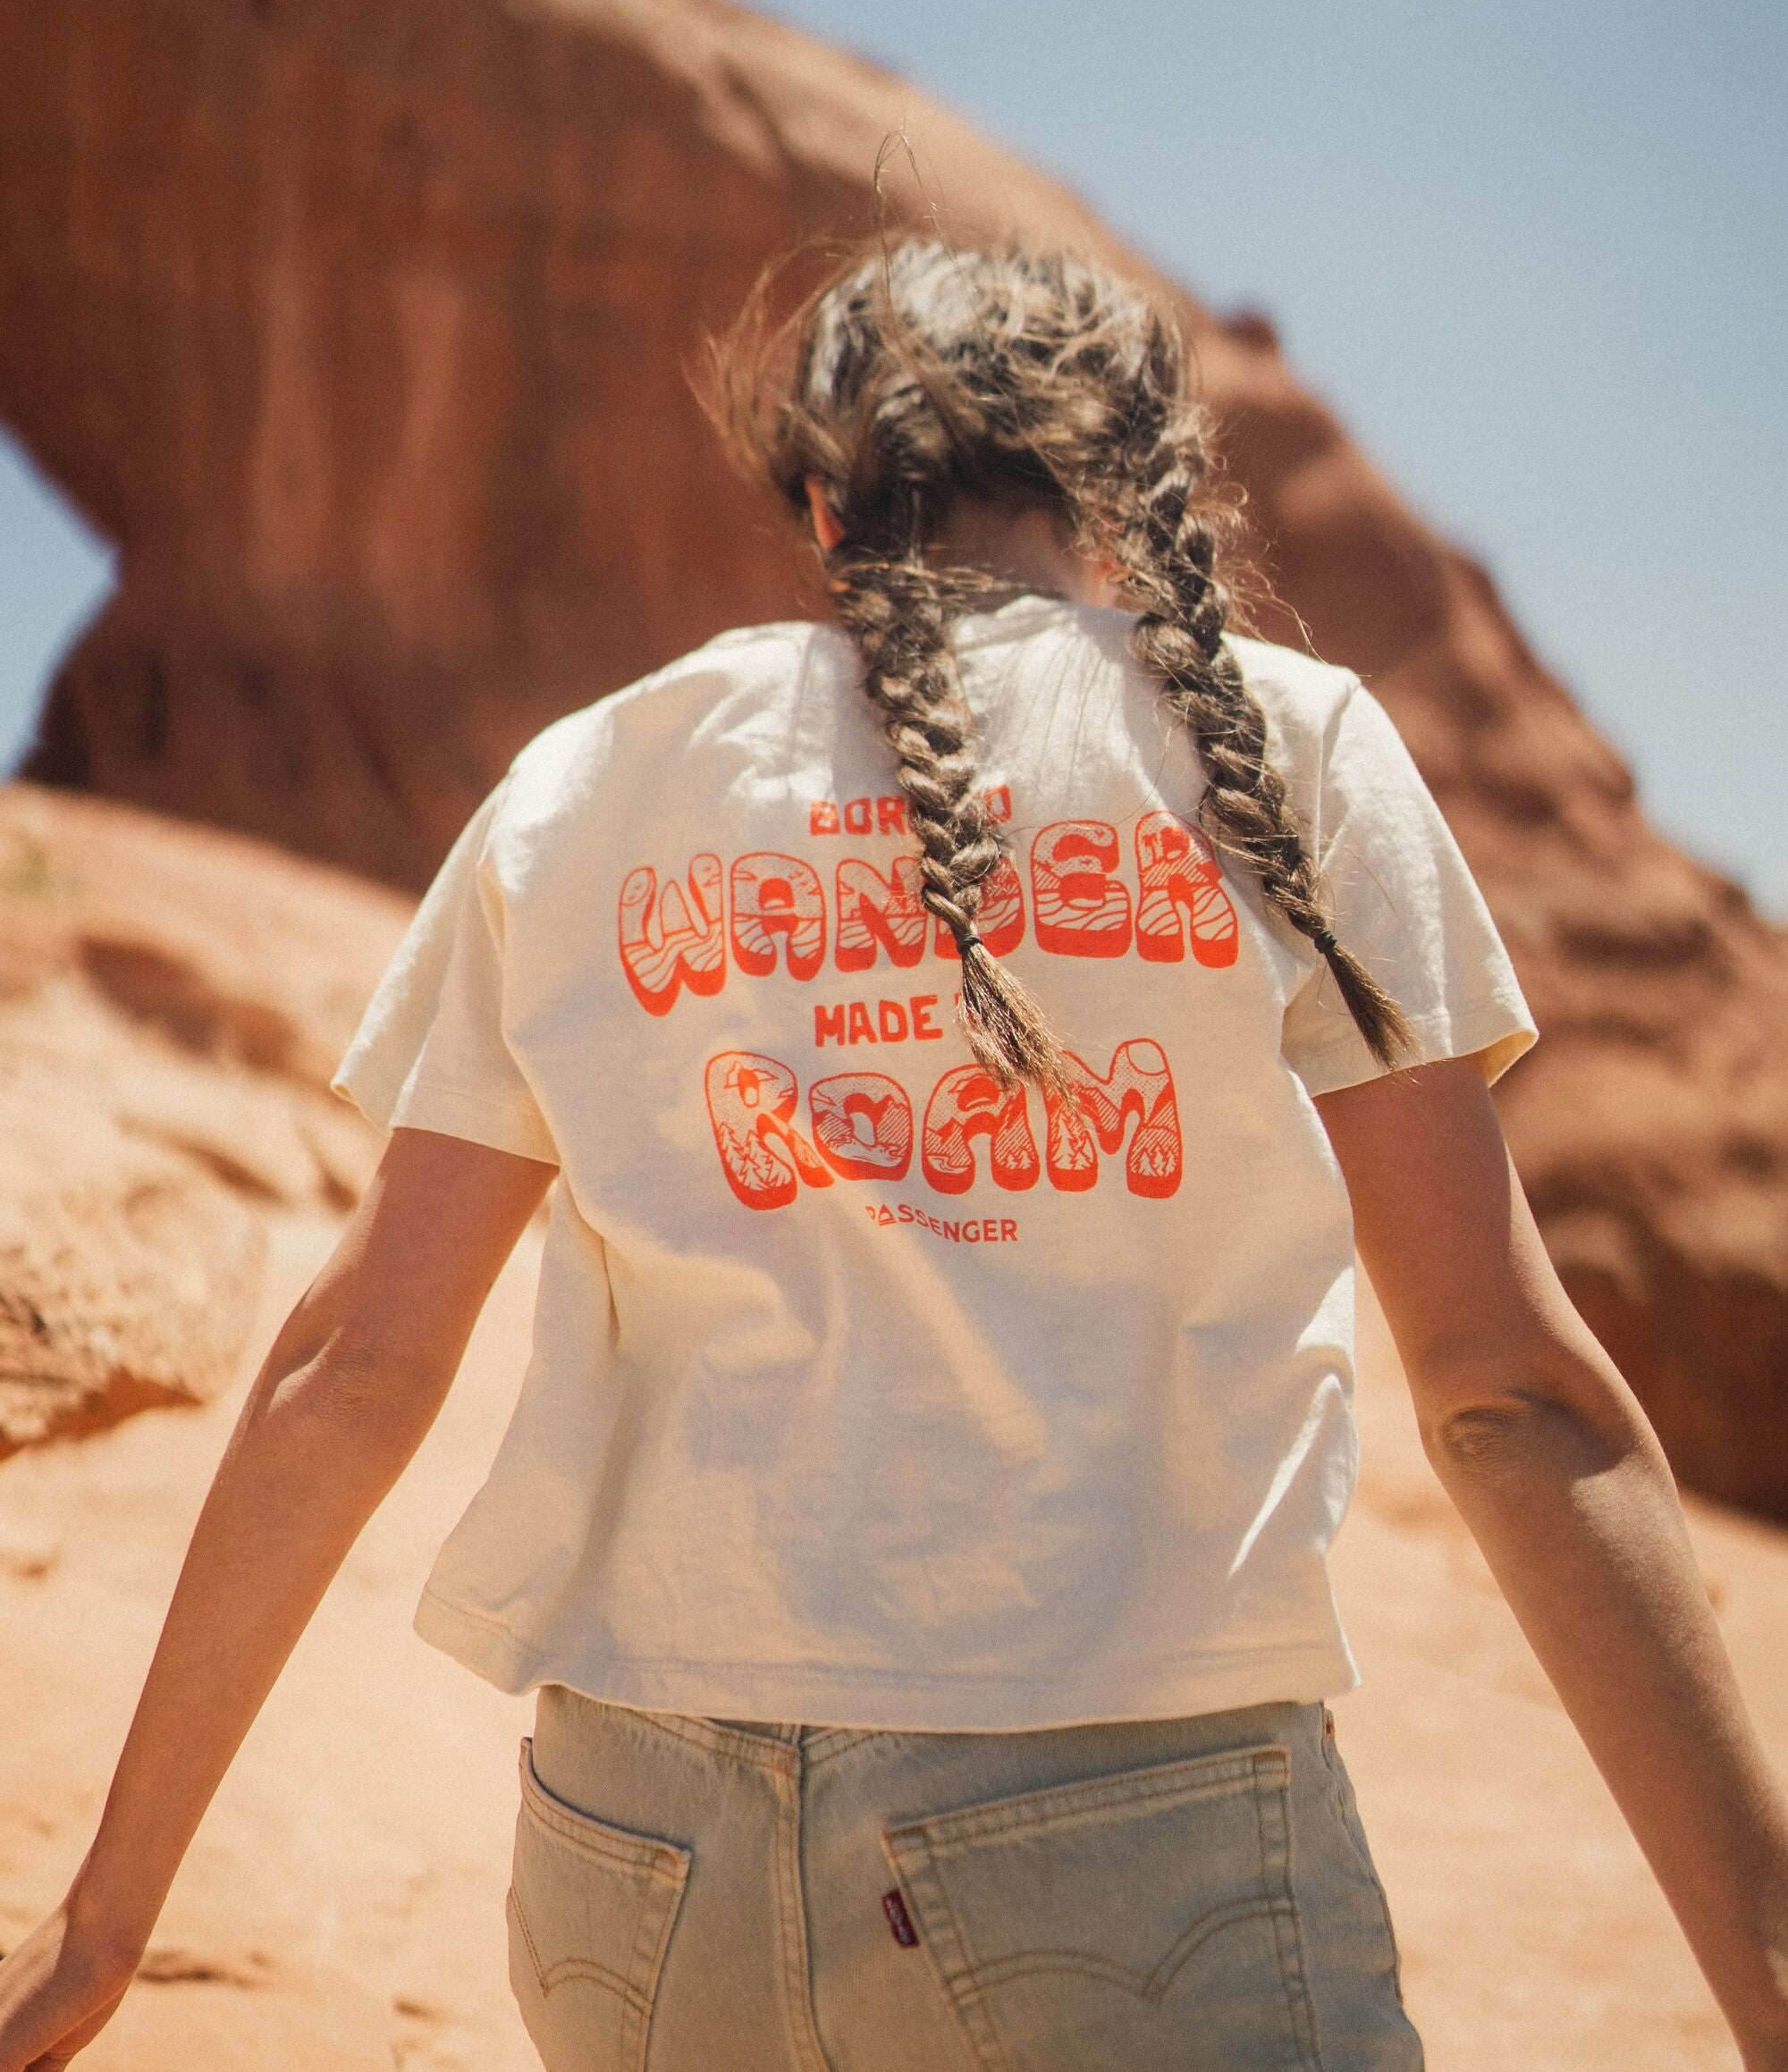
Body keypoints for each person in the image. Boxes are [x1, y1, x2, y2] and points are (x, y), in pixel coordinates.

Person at [3, 233, 1784, 2072]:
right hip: (1122, 1840)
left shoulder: (587, 776)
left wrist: (102, 1913)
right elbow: (1503, 1393)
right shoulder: (1283, 748)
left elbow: (353, 1357)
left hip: (639, 1858)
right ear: (1126, 490)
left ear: (819, 494)